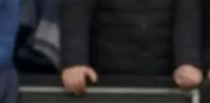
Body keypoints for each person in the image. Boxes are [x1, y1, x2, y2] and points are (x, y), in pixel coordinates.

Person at [59, 0, 202, 94]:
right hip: (104, 81)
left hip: (165, 83)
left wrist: (187, 61)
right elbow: (77, 10)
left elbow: (188, 14)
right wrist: (74, 61)